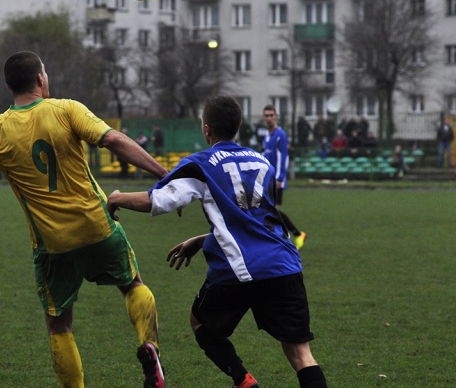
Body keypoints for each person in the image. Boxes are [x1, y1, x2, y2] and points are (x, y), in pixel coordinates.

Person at [0, 51, 168, 388]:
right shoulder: (67, 109)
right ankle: (150, 346)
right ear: (40, 79)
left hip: (52, 244)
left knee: (59, 325)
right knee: (132, 285)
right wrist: (164, 174)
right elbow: (114, 140)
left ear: (9, 87)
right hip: (97, 225)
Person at [106, 95, 327, 388]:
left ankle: (243, 379)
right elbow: (257, 223)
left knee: (200, 321)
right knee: (301, 353)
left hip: (241, 268)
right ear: (238, 127)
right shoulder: (261, 161)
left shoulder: (200, 164)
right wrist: (202, 240)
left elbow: (159, 200)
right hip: (285, 264)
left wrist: (117, 198)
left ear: (206, 129)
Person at [262, 105, 307, 250]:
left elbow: (284, 157)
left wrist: (280, 178)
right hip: (267, 179)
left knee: (272, 211)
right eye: (266, 115)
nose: (269, 118)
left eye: (271, 115)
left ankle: (294, 235)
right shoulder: (267, 136)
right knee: (270, 211)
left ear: (276, 116)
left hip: (276, 179)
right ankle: (289, 236)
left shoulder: (280, 135)